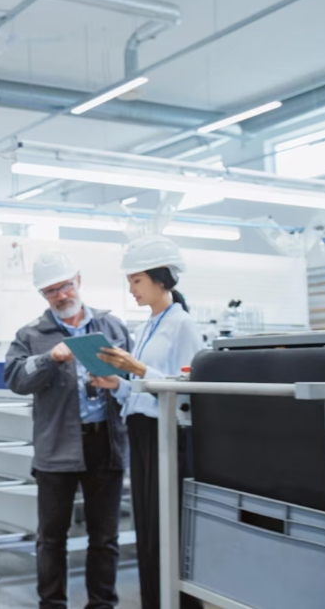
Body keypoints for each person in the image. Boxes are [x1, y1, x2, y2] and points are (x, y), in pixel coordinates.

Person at [4, 251, 132, 609]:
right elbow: (15, 378)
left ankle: (101, 604)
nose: (60, 295)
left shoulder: (112, 327)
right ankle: (52, 604)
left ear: (78, 281)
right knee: (51, 537)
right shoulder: (31, 334)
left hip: (106, 444)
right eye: (51, 291)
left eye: (65, 286)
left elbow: (135, 373)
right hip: (56, 447)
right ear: (42, 295)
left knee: (105, 536)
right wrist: (50, 358)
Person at [91, 235, 204, 609]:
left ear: (162, 279)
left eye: (137, 280)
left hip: (168, 436)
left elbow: (189, 391)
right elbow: (144, 390)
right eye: (130, 281)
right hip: (140, 432)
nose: (132, 289)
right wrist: (118, 383)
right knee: (147, 529)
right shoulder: (146, 327)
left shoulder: (182, 325)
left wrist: (137, 368)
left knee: (168, 529)